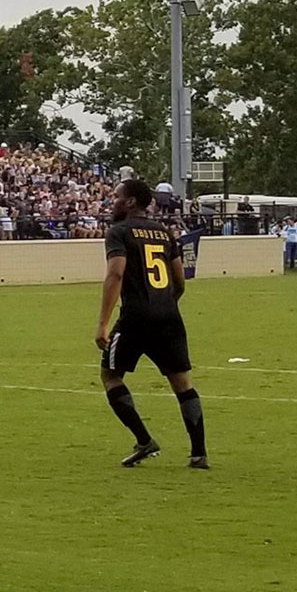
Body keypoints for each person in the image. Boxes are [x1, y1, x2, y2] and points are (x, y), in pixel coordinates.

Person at [94, 179, 208, 470]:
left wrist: (103, 323)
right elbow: (180, 280)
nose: (112, 201)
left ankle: (144, 440)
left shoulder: (118, 232)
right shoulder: (164, 232)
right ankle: (198, 454)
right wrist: (166, 305)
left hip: (135, 316)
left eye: (117, 196)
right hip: (169, 315)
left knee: (111, 375)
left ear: (131, 201)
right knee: (182, 384)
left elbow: (115, 275)